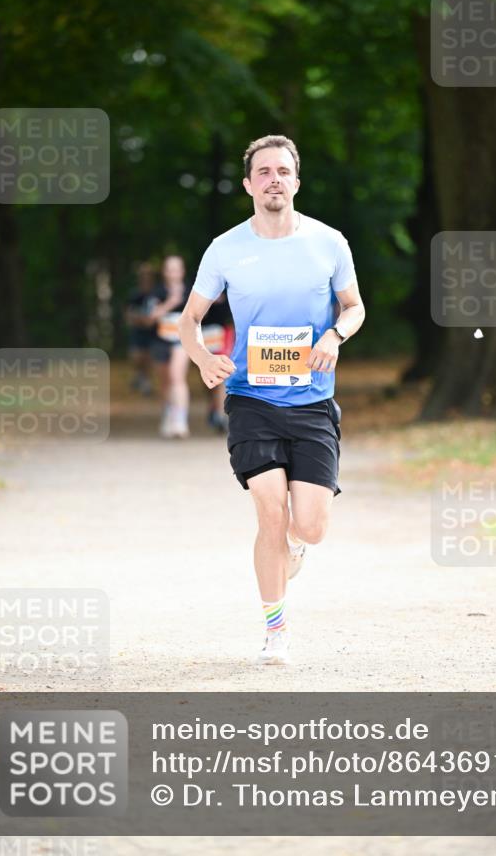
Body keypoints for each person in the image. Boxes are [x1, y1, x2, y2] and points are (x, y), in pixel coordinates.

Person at [180, 134, 365, 663]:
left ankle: (299, 545)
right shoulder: (226, 248)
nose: (274, 179)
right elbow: (190, 320)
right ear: (248, 184)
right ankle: (275, 632)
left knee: (308, 525)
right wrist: (201, 358)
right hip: (251, 399)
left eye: (283, 171)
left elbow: (353, 307)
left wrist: (334, 336)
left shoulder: (329, 243)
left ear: (297, 181)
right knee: (269, 514)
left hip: (311, 401)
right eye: (263, 172)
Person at [147, 255, 191, 439]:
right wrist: (170, 303)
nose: (173, 273)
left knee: (177, 376)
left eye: (176, 269)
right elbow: (151, 317)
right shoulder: (157, 292)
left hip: (182, 340)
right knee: (165, 382)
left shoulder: (192, 291)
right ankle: (168, 414)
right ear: (164, 272)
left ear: (182, 271)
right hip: (161, 340)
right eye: (169, 269)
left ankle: (180, 421)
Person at [201, 292, 235, 433]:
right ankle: (213, 407)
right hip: (205, 333)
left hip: (224, 333)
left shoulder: (231, 286)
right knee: (208, 377)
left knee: (222, 373)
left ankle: (222, 416)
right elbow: (195, 315)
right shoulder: (202, 284)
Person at [124, 261, 157, 396]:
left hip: (153, 332)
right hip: (138, 331)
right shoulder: (134, 294)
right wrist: (139, 320)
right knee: (137, 357)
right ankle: (140, 376)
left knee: (149, 358)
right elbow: (128, 313)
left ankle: (146, 382)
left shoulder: (157, 293)